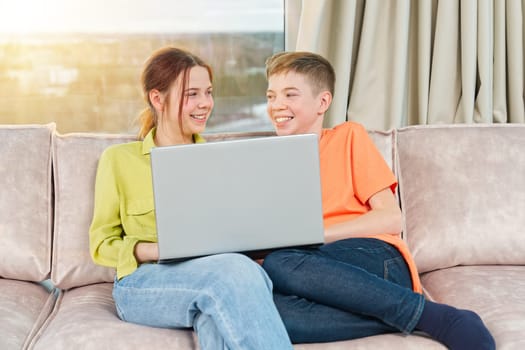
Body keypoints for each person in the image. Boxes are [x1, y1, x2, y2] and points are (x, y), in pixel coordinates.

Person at [262, 51, 496, 350]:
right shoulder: (266, 163)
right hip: (314, 275)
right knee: (266, 310)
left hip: (375, 259)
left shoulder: (347, 137)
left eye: (289, 94)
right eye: (271, 96)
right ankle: (419, 315)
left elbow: (390, 218)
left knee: (280, 262)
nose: (277, 105)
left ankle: (439, 318)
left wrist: (313, 236)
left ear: (322, 102)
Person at [89, 47, 293, 350]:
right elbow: (101, 245)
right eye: (192, 94)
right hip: (142, 283)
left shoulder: (220, 161)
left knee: (218, 311)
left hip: (213, 274)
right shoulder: (118, 160)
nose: (205, 104)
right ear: (157, 99)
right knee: (233, 275)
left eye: (208, 92)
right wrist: (155, 249)